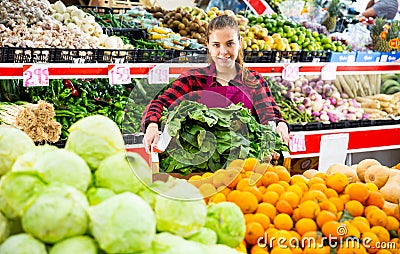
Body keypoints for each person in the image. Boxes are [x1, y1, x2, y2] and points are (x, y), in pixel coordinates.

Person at [142, 15, 290, 156]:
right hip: (199, 167)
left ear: (240, 42)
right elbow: (158, 104)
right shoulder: (193, 80)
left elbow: (270, 116)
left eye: (230, 44)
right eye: (216, 45)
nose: (223, 52)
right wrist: (152, 125)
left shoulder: (253, 81)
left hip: (245, 166)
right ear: (207, 45)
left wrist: (280, 125)